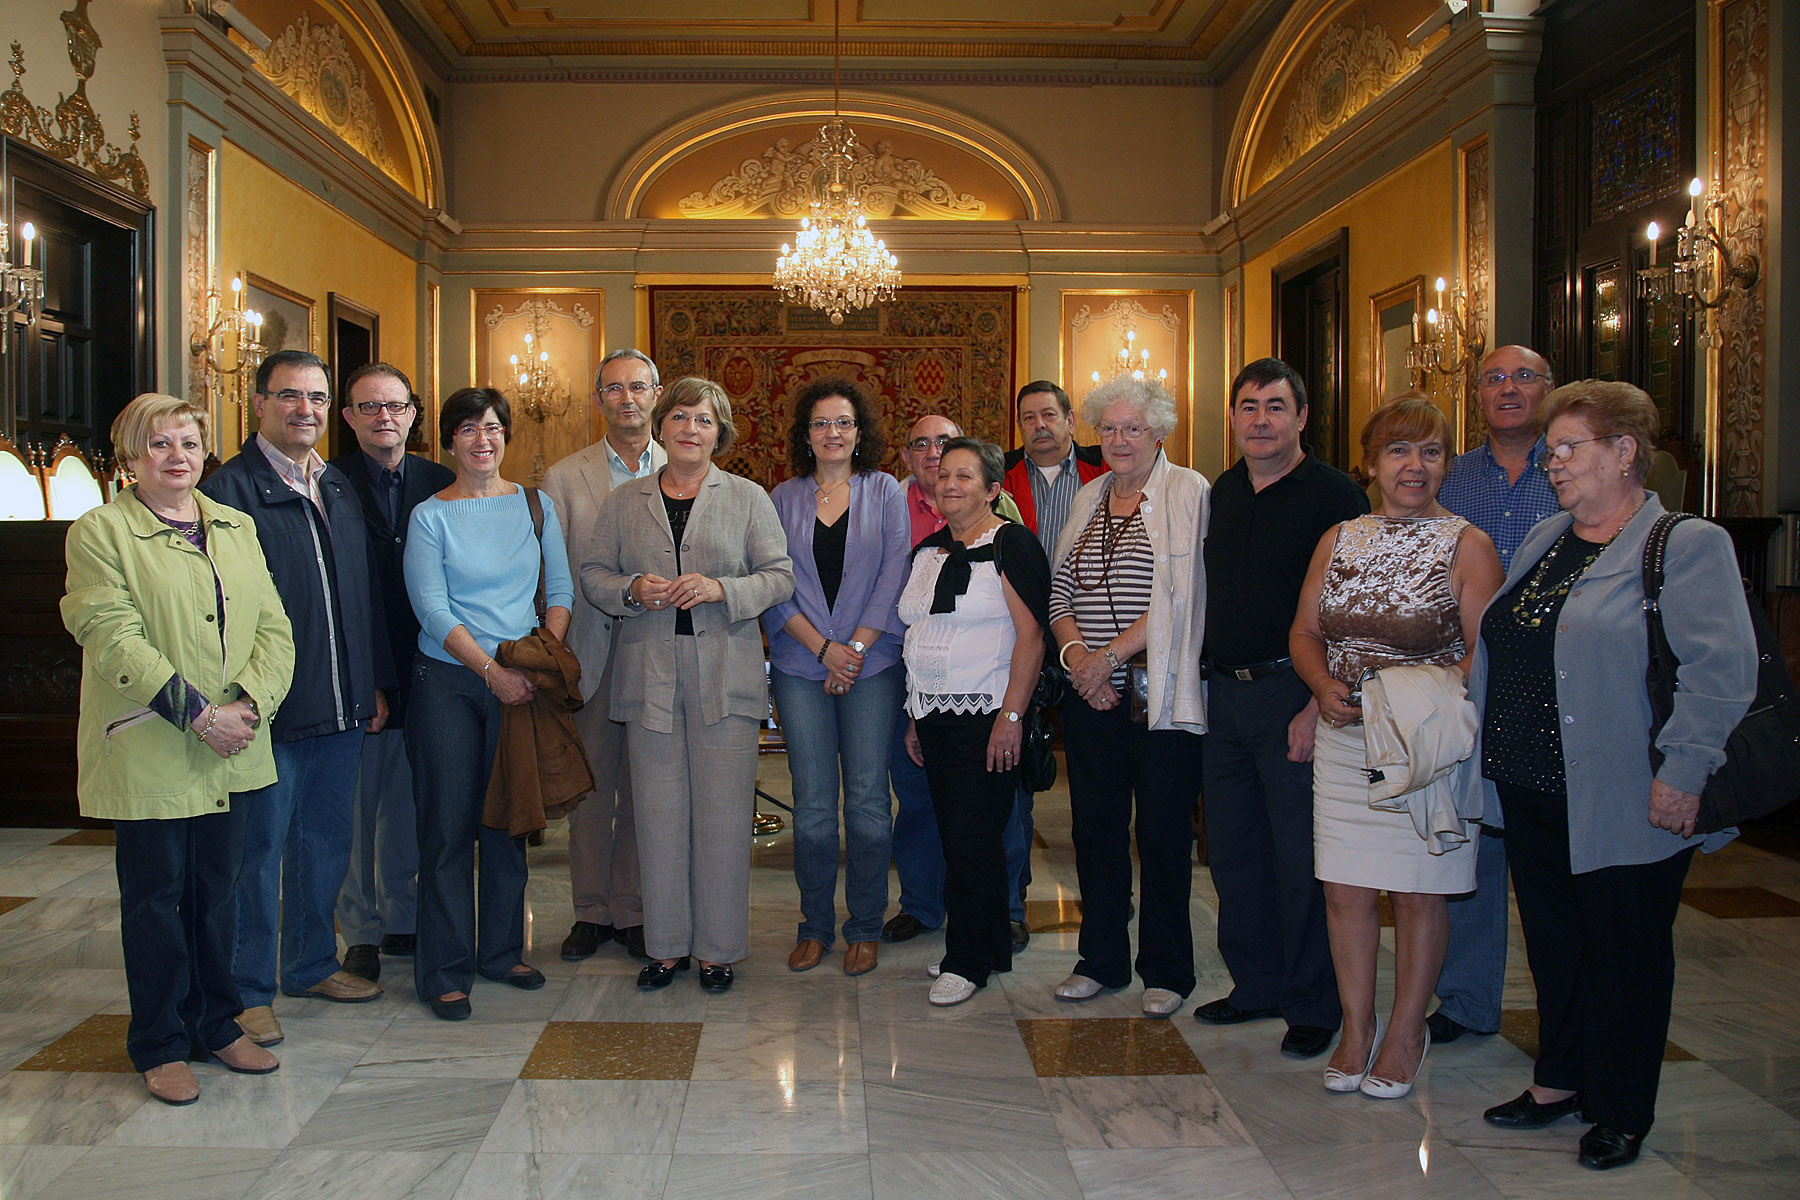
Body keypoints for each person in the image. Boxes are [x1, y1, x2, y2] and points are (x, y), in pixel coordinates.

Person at [1473, 381, 1754, 1169]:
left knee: (1627, 956)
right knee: (1557, 946)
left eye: (1569, 449)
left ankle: (1622, 1108)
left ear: (1625, 451)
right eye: (1549, 453)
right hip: (1530, 785)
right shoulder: (1548, 536)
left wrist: (1685, 771)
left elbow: (1721, 671)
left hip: (1624, 790)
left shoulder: (1684, 544)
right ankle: (1559, 1080)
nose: (1553, 464)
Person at [62, 393, 294, 1105]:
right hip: (153, 746)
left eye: (189, 443)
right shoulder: (101, 532)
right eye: (159, 444)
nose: (177, 456)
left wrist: (248, 705)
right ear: (131, 457)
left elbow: (275, 629)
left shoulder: (235, 526)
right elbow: (111, 635)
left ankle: (216, 1025)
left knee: (218, 895)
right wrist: (199, 716)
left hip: (234, 746)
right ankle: (160, 1043)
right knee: (156, 902)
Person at [1290, 396, 1504, 1098]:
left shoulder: (1467, 545)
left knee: (1418, 894)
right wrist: (1322, 686)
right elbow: (1305, 632)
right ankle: (1357, 1029)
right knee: (1346, 890)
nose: (1415, 466)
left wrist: (1407, 702)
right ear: (1372, 463)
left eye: (1431, 451)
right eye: (1399, 451)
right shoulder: (1339, 538)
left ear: (1447, 463)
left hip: (1423, 748)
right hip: (1345, 742)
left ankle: (1407, 1032)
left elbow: (1484, 655)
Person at [200, 350, 390, 1048]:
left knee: (325, 843)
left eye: (315, 397)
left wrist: (371, 680)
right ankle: (246, 991)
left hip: (342, 705)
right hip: (270, 711)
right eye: (289, 396)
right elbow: (219, 611)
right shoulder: (228, 492)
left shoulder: (335, 483)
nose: (304, 409)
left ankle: (310, 965)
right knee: (256, 854)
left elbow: (360, 593)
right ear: (258, 404)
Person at [584, 377, 794, 995]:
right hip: (648, 671)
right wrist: (631, 590)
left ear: (718, 432)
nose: (690, 430)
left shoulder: (748, 498)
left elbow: (779, 577)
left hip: (724, 672)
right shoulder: (624, 501)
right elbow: (593, 574)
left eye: (703, 420)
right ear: (661, 425)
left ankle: (717, 951)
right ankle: (666, 947)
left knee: (724, 817)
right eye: (679, 417)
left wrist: (721, 588)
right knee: (657, 816)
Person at [1197, 357, 1368, 1059]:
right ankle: (1257, 985)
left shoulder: (1337, 496)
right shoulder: (1223, 490)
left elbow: (1353, 613)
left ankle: (1312, 1003)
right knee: (1235, 853)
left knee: (1301, 859)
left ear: (1301, 417)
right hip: (1224, 695)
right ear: (1232, 418)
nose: (1260, 420)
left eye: (1275, 406)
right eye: (1248, 406)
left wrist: (1316, 701)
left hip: (1292, 695)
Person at [404, 387, 572, 1020]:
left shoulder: (535, 505)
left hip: (520, 679)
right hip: (449, 682)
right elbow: (432, 608)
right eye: (470, 428)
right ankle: (445, 969)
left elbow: (560, 590)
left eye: (494, 427)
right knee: (447, 829)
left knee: (509, 817)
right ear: (450, 440)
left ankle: (501, 953)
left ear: (507, 436)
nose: (484, 439)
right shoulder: (430, 516)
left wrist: (539, 655)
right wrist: (491, 670)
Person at [1047, 376, 1208, 1017]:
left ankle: (1167, 970)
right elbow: (1060, 591)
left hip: (1156, 694)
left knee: (1163, 832)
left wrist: (1108, 658)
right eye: (1109, 428)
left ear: (1159, 432)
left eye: (1132, 428)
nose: (1118, 439)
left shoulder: (1187, 490)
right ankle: (1101, 959)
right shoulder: (1089, 495)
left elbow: (1182, 594)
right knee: (1095, 830)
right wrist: (1078, 661)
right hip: (1090, 696)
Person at [1429, 345, 1561, 1045]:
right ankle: (1466, 1001)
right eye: (1494, 379)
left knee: (1549, 856)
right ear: (1476, 394)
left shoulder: (1569, 469)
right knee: (1472, 844)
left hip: (1553, 687)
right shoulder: (1450, 477)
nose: (1508, 389)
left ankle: (1565, 1008)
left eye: (1524, 377)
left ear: (1548, 390)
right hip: (1465, 683)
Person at [763, 378, 909, 978]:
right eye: (821, 423)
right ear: (806, 435)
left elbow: (895, 574)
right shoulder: (781, 498)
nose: (832, 433)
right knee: (815, 807)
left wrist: (853, 650)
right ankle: (815, 926)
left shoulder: (886, 491)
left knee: (870, 803)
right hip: (800, 665)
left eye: (843, 422)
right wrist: (823, 649)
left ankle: (866, 925)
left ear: (859, 431)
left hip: (872, 665)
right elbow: (773, 582)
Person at [899, 437, 1049, 1006]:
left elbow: (1032, 638)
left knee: (973, 840)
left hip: (987, 715)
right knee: (958, 835)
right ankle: (985, 945)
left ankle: (968, 961)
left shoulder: (1011, 544)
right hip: (934, 715)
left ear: (992, 489)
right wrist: (916, 716)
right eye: (944, 475)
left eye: (965, 475)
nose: (950, 484)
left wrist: (1011, 717)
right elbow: (920, 633)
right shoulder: (929, 550)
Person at [540, 348, 667, 965]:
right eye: (614, 388)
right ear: (598, 401)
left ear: (656, 394)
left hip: (660, 653)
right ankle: (591, 911)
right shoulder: (565, 478)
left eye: (638, 387)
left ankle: (636, 909)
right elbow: (551, 572)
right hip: (588, 650)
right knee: (590, 790)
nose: (627, 399)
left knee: (646, 788)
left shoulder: (685, 465)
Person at [331, 363, 454, 984]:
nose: (384, 417)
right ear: (348, 416)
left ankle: (403, 916)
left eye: (396, 406)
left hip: (428, 662)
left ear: (412, 414)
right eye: (369, 406)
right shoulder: (327, 483)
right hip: (357, 666)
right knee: (357, 808)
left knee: (407, 802)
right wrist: (367, 678)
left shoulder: (441, 482)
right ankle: (360, 932)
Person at [1003, 379, 1106, 556]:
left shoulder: (1104, 468)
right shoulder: (999, 473)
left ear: (1070, 421)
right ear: (1020, 426)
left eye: (1049, 415)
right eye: (1029, 418)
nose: (1039, 425)